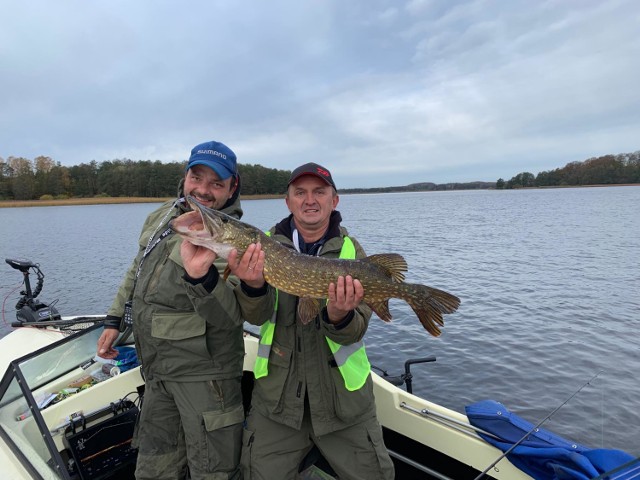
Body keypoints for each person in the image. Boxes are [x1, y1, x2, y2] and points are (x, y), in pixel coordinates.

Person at [96, 140, 262, 480]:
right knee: (154, 469)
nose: (203, 190)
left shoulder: (235, 240)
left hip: (205, 377)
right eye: (196, 177)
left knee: (212, 471)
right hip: (157, 372)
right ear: (185, 176)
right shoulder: (163, 216)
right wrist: (115, 320)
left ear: (232, 189)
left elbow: (231, 316)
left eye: (217, 183)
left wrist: (200, 277)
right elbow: (136, 270)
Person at [233, 162, 395, 480]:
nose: (310, 200)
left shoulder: (352, 250)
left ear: (334, 200)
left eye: (319, 192)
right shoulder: (260, 247)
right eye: (300, 192)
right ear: (288, 201)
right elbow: (254, 315)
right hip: (278, 402)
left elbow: (356, 331)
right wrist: (252, 286)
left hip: (344, 404)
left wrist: (339, 315)